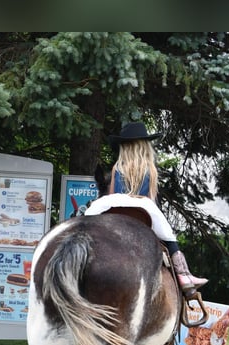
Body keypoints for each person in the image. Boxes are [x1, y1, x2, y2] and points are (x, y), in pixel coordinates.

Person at [84, 121, 208, 291]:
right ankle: (183, 275)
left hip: (116, 204)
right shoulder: (150, 169)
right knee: (168, 236)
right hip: (143, 206)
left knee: (86, 221)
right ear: (144, 146)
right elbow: (151, 197)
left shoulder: (117, 168)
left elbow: (112, 196)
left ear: (124, 147)